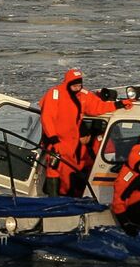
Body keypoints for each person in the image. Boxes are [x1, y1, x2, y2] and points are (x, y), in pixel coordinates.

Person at [39, 68, 133, 197]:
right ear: (67, 83)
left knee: (72, 173)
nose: (77, 88)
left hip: (73, 143)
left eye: (79, 85)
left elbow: (98, 107)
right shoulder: (55, 94)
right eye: (74, 85)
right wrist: (54, 139)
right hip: (58, 142)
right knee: (54, 169)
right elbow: (47, 117)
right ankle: (53, 200)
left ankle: (70, 199)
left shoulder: (83, 95)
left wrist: (119, 104)